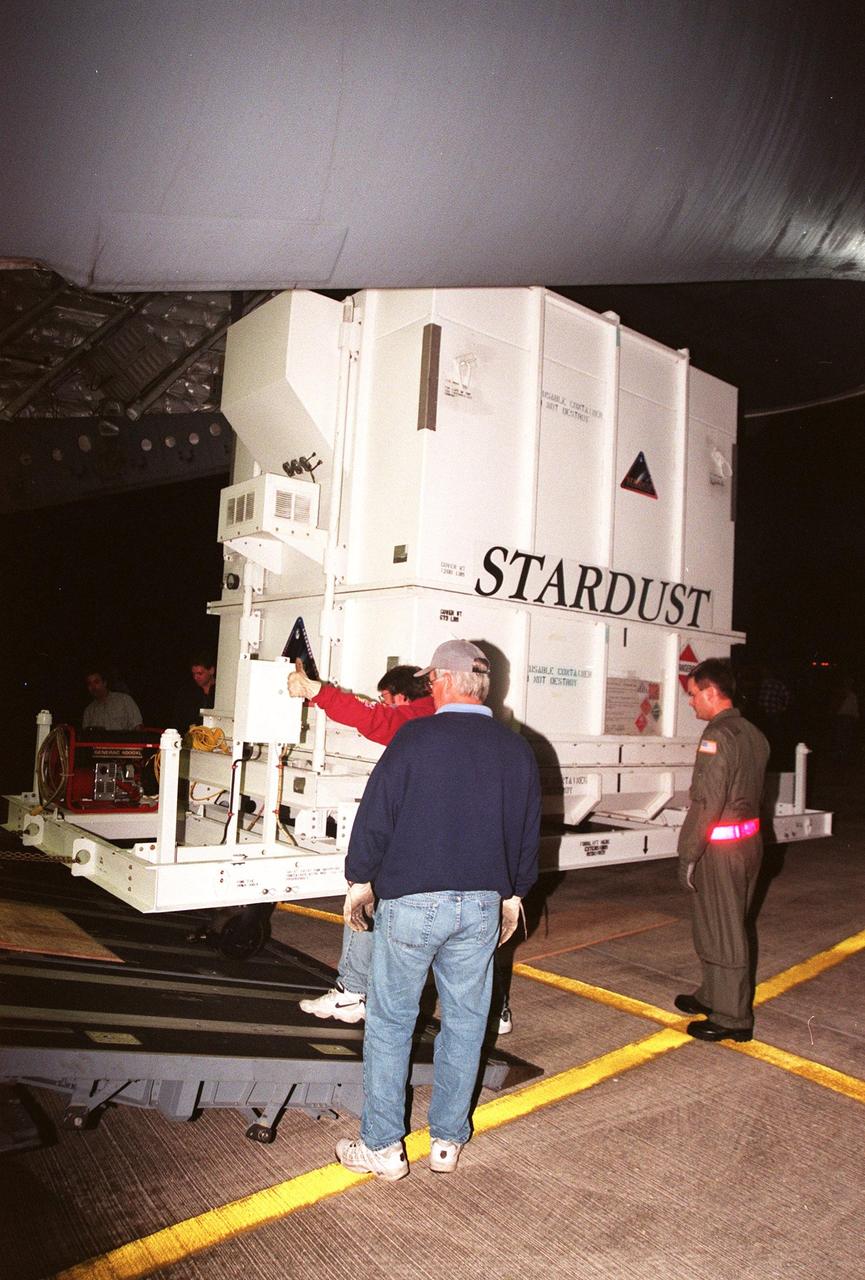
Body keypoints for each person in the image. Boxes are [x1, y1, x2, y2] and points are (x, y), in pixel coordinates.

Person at [334, 639, 540, 1181]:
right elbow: (526, 831)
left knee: (391, 1024)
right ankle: (447, 1140)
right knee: (468, 1023)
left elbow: (377, 813)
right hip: (481, 908)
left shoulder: (415, 738)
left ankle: (382, 1147)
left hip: (411, 904)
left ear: (442, 680)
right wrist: (515, 894)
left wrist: (359, 880)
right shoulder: (516, 747)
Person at [290, 660, 517, 1035]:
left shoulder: (422, 721)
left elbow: (378, 722)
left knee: (375, 915)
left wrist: (318, 693)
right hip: (477, 862)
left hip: (427, 863)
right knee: (473, 943)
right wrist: (513, 890)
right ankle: (495, 1008)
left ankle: (354, 991)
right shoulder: (496, 733)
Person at [675, 657, 769, 1043]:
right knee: (719, 924)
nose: (692, 702)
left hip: (721, 846)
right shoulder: (753, 734)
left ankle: (733, 1017)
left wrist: (688, 854)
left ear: (713, 693)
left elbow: (707, 802)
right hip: (748, 842)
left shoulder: (717, 737)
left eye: (695, 695)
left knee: (723, 931)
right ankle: (713, 994)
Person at [173, 651, 216, 731]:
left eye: (200, 674)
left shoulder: (221, 692)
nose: (196, 677)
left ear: (211, 671)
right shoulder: (187, 692)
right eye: (194, 674)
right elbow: (178, 719)